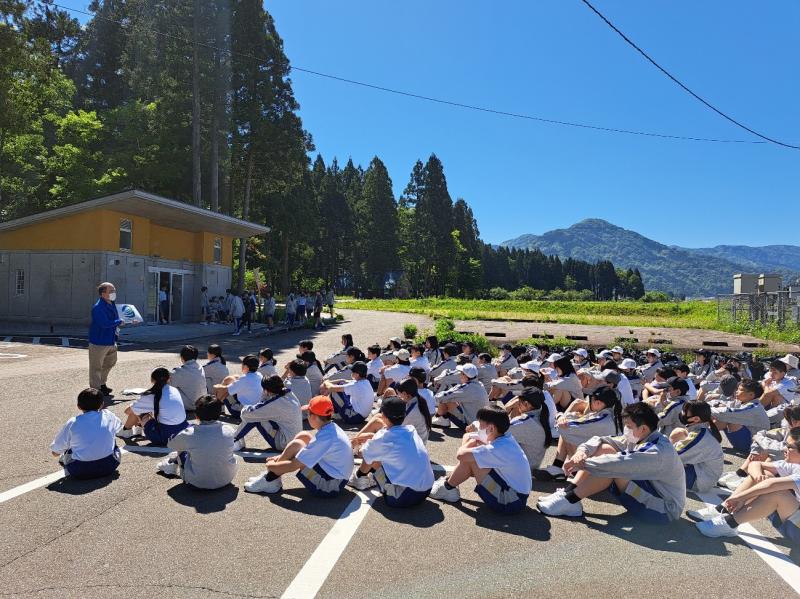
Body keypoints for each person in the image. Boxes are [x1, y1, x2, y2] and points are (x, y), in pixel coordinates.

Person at [537, 402, 685, 522]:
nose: (626, 430)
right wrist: (581, 453)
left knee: (612, 466)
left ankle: (571, 500)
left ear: (643, 428)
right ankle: (569, 493)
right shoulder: (643, 436)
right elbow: (600, 439)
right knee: (606, 448)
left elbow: (618, 464)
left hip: (664, 509)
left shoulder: (658, 451)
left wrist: (583, 463)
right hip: (651, 492)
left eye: (629, 427)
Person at [691, 429, 800, 539]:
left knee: (778, 493)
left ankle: (729, 523)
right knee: (765, 474)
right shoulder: (795, 464)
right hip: (793, 519)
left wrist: (739, 498)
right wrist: (758, 477)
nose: (784, 448)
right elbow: (755, 464)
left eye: (789, 446)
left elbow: (772, 485)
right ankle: (723, 510)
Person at [430, 406, 532, 514]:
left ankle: (448, 487)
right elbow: (468, 436)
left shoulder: (496, 448)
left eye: (480, 424)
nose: (479, 426)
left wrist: (474, 439)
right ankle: (449, 486)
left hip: (509, 501)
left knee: (472, 460)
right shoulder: (505, 438)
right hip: (516, 497)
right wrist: (474, 438)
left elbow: (460, 455)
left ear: (491, 428)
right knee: (472, 457)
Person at [244, 396, 353, 496]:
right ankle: (273, 478)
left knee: (299, 453)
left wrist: (270, 466)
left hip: (330, 486)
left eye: (308, 413)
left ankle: (270, 478)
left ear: (314, 417)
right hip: (334, 475)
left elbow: (293, 465)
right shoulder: (331, 428)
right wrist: (279, 459)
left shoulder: (326, 437)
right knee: (304, 436)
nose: (306, 416)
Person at [348, 397, 434, 506]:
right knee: (379, 452)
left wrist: (362, 441)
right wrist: (373, 439)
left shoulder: (383, 438)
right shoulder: (410, 430)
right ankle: (371, 477)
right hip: (426, 490)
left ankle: (360, 478)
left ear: (383, 415)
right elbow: (392, 443)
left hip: (401, 497)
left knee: (372, 455)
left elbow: (363, 453)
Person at [534, 386, 623, 482]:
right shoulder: (611, 415)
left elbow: (561, 427)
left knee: (568, 431)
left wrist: (563, 414)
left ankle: (559, 468)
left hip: (593, 473)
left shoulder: (601, 420)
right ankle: (557, 468)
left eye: (590, 399)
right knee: (571, 431)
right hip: (605, 466)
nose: (588, 402)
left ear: (598, 403)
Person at [156, 395, 238, 489]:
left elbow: (171, 445)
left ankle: (172, 466)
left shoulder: (189, 433)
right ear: (219, 413)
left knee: (182, 450)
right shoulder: (229, 430)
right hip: (227, 479)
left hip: (197, 483)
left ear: (197, 415)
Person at [50, 388, 122, 479]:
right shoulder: (108, 415)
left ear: (78, 406)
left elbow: (55, 452)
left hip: (80, 470)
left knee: (69, 443)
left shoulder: (73, 422)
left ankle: (66, 457)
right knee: (111, 438)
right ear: (102, 404)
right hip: (110, 465)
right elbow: (119, 428)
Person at [354, 377, 432, 447]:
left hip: (412, 445)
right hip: (412, 438)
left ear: (405, 394)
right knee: (378, 416)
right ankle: (354, 442)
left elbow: (396, 426)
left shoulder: (413, 410)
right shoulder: (416, 400)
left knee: (376, 422)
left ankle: (353, 443)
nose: (398, 397)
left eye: (399, 394)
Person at [119, 367, 189, 445]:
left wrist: (139, 415)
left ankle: (126, 431)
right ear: (169, 378)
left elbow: (128, 411)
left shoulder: (151, 395)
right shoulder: (174, 390)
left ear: (152, 380)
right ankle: (137, 429)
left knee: (139, 411)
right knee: (143, 409)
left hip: (166, 437)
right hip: (182, 431)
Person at [234, 375, 302, 451]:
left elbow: (245, 415)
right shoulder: (289, 393)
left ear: (266, 390)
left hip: (284, 443)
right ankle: (236, 437)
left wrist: (247, 406)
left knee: (255, 416)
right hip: (295, 439)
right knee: (258, 413)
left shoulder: (275, 403)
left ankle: (234, 439)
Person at [669, 401, 724, 493]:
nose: (682, 413)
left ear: (696, 419)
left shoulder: (700, 436)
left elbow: (670, 456)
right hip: (701, 472)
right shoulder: (702, 429)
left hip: (699, 481)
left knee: (657, 466)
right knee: (679, 432)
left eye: (685, 411)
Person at [711, 378, 770, 453]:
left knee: (727, 418)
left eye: (740, 390)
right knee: (721, 414)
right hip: (743, 439)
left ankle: (705, 439)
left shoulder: (754, 408)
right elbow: (725, 404)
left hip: (752, 444)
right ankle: (705, 438)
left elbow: (727, 413)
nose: (736, 392)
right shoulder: (741, 401)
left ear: (751, 394)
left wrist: (707, 409)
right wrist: (713, 405)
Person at [88, 282, 124, 397]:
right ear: (103, 294)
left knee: (110, 362)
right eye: (111, 291)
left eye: (114, 290)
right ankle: (95, 391)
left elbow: (116, 319)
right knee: (96, 367)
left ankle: (102, 383)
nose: (114, 293)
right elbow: (104, 323)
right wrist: (119, 321)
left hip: (111, 340)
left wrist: (127, 320)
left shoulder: (111, 303)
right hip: (99, 342)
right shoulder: (98, 308)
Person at [432, 363, 490, 430]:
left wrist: (437, 413)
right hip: (482, 422)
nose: (459, 375)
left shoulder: (467, 387)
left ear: (465, 375)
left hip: (471, 425)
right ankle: (442, 419)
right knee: (453, 397)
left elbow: (440, 397)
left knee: (446, 398)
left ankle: (442, 419)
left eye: (461, 373)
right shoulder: (479, 384)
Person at [507, 388, 552, 471]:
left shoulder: (524, 422)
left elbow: (496, 432)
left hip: (518, 469)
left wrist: (506, 409)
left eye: (519, 402)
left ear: (527, 404)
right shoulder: (541, 416)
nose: (517, 404)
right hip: (531, 466)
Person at [170, 345, 207, 412]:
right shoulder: (200, 367)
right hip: (202, 402)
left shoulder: (179, 371)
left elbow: (169, 386)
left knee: (169, 388)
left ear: (182, 357)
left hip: (191, 405)